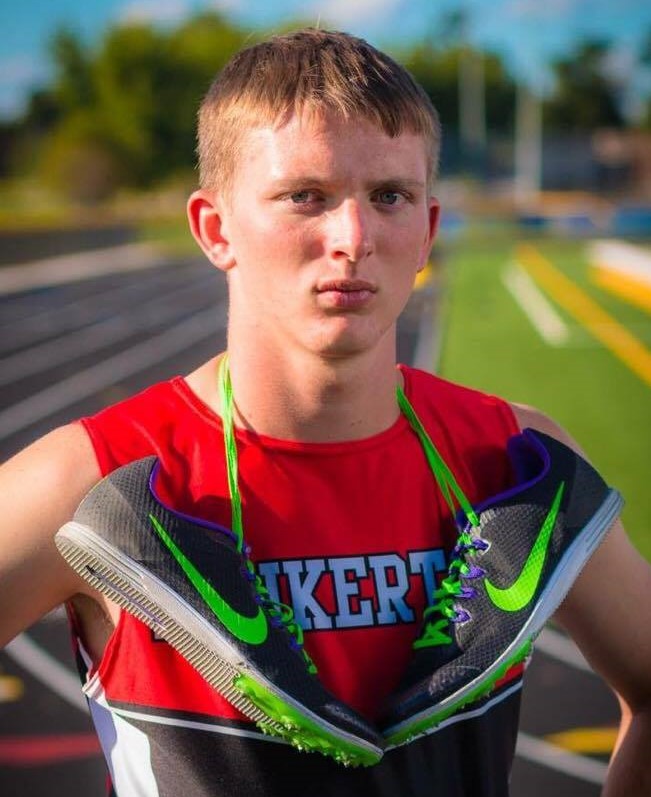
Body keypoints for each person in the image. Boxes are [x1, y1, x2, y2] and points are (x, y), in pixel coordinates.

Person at [1, 28, 650, 797]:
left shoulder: (516, 460)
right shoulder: (91, 482)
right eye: (305, 196)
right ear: (215, 229)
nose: (353, 238)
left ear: (427, 230)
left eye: (389, 196)